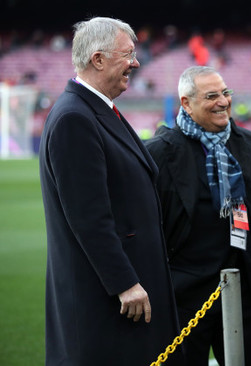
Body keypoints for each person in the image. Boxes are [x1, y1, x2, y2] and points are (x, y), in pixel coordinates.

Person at [38, 17, 183, 366]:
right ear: (98, 59)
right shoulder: (75, 118)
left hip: (124, 298)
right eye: (128, 54)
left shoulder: (96, 110)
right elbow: (89, 217)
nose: (135, 63)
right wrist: (124, 283)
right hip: (107, 304)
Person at [145, 66, 251, 366]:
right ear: (185, 103)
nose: (223, 102)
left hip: (243, 294)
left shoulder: (248, 145)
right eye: (211, 96)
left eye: (225, 93)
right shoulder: (159, 152)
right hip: (183, 297)